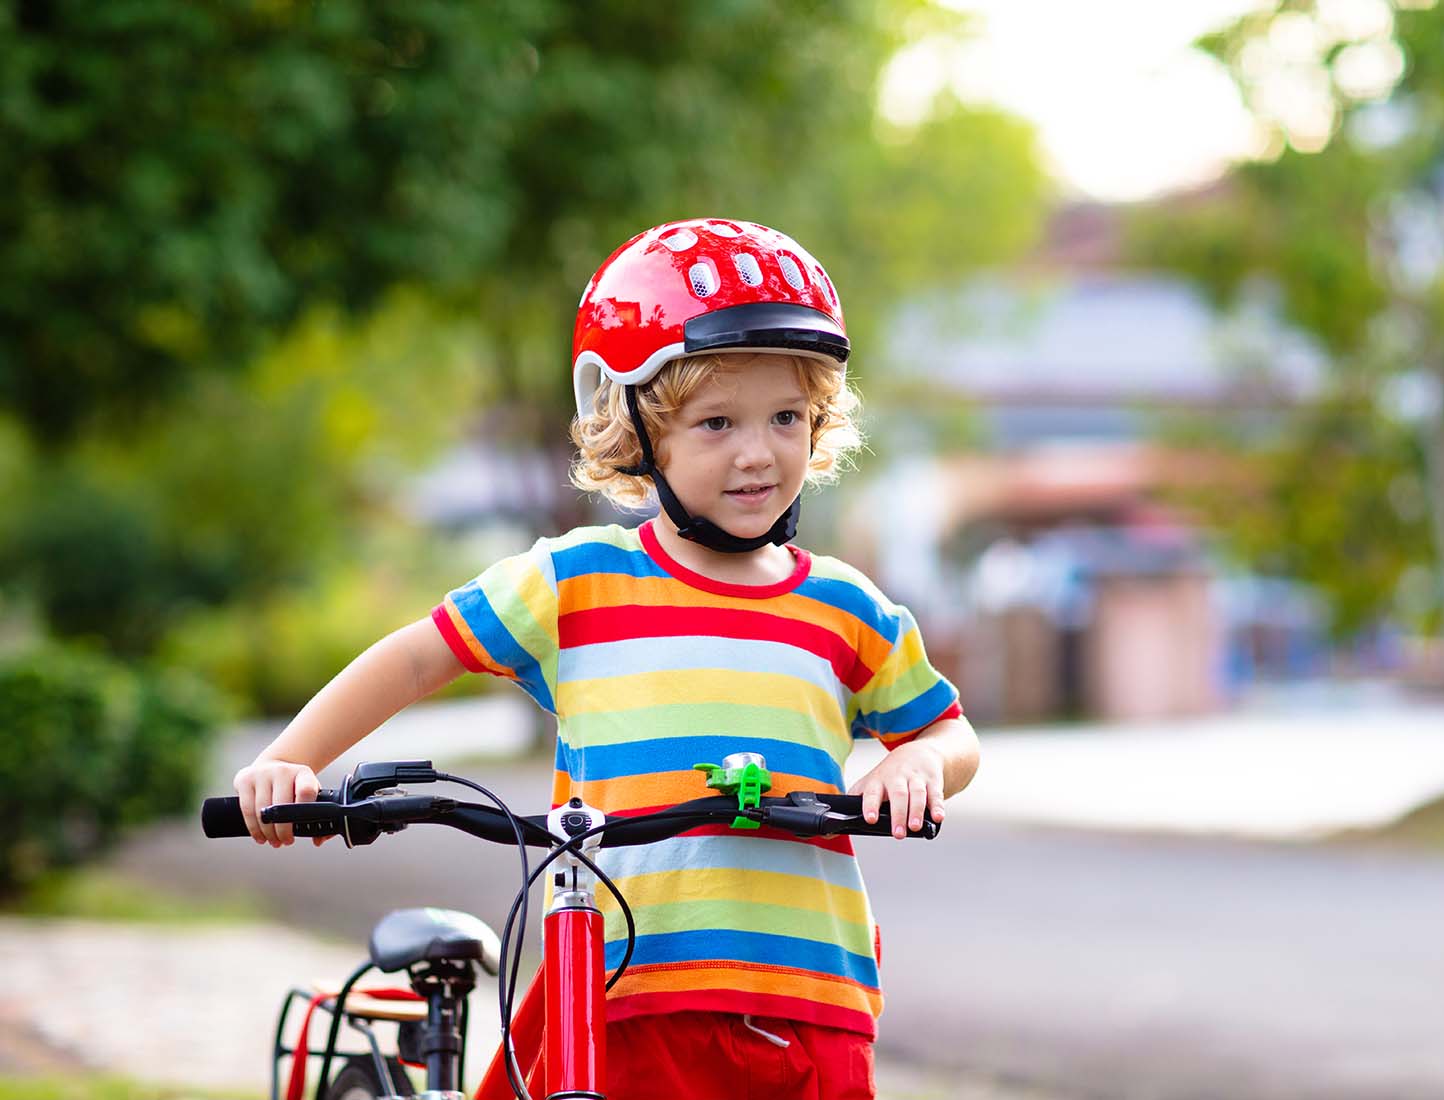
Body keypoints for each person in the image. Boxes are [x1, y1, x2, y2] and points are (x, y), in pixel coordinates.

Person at [233, 217, 980, 1100]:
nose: (758, 451)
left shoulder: (847, 607)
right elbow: (415, 659)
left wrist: (920, 765)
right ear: (639, 434)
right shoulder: (577, 580)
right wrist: (290, 761)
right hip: (618, 988)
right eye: (715, 422)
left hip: (806, 1001)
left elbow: (950, 733)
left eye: (787, 416)